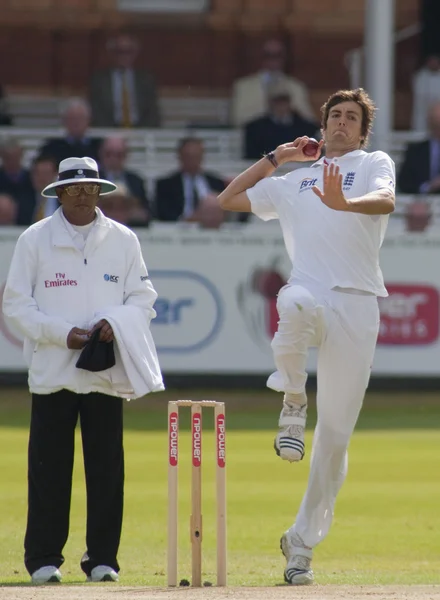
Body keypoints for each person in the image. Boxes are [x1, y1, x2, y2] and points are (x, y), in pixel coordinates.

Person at [218, 88, 395, 585]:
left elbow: (386, 200)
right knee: (292, 304)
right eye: (335, 115)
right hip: (311, 290)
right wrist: (276, 158)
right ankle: (293, 402)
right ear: (322, 125)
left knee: (335, 439)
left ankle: (300, 544)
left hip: (358, 301)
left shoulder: (372, 162)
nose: (342, 123)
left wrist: (346, 200)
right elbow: (227, 199)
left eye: (351, 118)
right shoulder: (292, 180)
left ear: (363, 129)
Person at [2, 156, 164, 585]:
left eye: (89, 187)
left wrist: (117, 322)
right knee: (48, 468)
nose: (81, 195)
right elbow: (16, 306)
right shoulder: (35, 239)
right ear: (58, 193)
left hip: (104, 371)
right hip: (53, 369)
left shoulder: (123, 239)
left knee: (107, 469)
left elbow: (143, 298)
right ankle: (42, 560)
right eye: (72, 189)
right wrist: (62, 334)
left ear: (99, 191)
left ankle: (103, 560)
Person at [230, 38, 315, 127]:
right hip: (257, 135)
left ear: (284, 58)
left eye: (277, 56)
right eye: (269, 55)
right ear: (261, 58)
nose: (273, 60)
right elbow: (237, 119)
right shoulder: (243, 86)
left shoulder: (296, 87)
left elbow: (308, 120)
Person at [89, 32, 160, 128]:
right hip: (109, 133)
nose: (123, 56)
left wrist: (142, 133)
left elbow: (152, 112)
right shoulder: (99, 80)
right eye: (119, 52)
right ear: (112, 53)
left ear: (135, 53)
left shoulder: (145, 79)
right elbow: (96, 113)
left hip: (140, 132)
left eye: (128, 51)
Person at [244, 81, 319, 160]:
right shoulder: (254, 128)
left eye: (284, 100)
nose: (281, 105)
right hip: (267, 168)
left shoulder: (307, 128)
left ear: (290, 102)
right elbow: (251, 157)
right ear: (269, 102)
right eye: (276, 101)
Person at [38, 98, 102, 166]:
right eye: (72, 118)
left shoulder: (100, 148)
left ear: (89, 120)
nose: (76, 123)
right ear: (64, 121)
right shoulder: (51, 147)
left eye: (80, 118)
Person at [398, 102, 440, 194]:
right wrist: (428, 187)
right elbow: (404, 184)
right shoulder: (415, 151)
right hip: (422, 204)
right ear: (429, 122)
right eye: (435, 121)